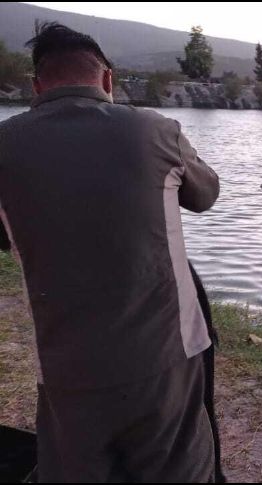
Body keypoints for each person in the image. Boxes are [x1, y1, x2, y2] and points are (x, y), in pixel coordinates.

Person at [0, 23, 220, 482]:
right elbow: (206, 194)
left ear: (37, 86)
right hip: (165, 359)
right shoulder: (156, 129)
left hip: (67, 371)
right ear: (107, 80)